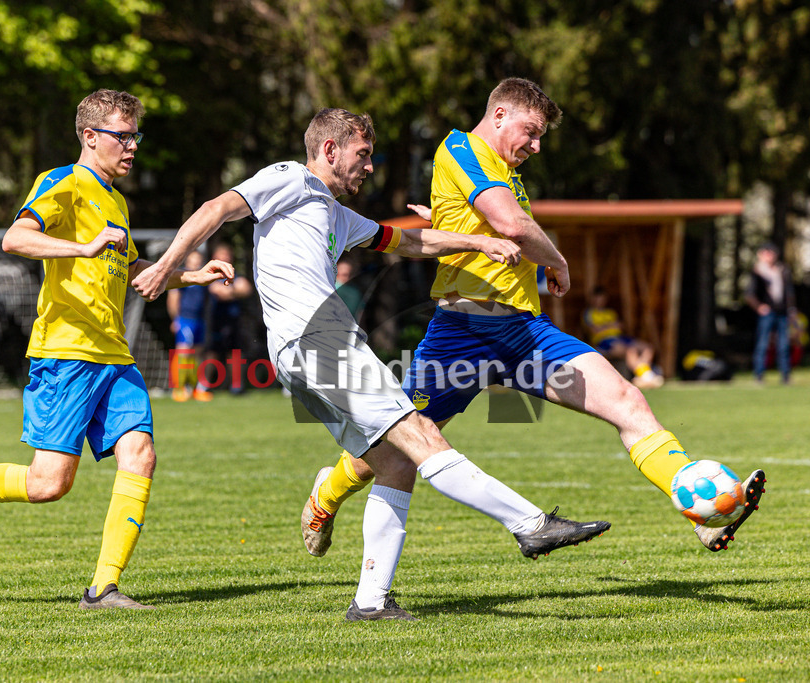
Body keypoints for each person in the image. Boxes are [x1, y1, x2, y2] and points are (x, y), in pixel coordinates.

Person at [132, 107, 611, 621]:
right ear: (330, 150)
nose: (369, 167)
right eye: (362, 155)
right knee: (422, 437)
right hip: (317, 340)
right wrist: (167, 264)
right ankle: (530, 525)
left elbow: (407, 241)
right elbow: (216, 207)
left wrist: (478, 242)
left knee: (394, 462)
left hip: (305, 349)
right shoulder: (290, 177)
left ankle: (370, 601)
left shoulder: (337, 214)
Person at [303, 78, 766, 564]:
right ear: (499, 115)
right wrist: (558, 262)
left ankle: (695, 502)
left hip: (524, 334)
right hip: (461, 335)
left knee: (628, 400)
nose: (536, 145)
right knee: (394, 451)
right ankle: (325, 496)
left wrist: (448, 218)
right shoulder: (462, 147)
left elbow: (480, 220)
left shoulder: (502, 170)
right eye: (532, 130)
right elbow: (511, 225)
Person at [0, 89, 234, 610]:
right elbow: (16, 238)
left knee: (140, 454)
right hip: (66, 353)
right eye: (123, 135)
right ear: (91, 137)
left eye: (136, 135)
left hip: (113, 355)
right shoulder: (64, 182)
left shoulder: (115, 200)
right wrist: (82, 246)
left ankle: (104, 588)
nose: (133, 146)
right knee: (49, 484)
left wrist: (190, 275)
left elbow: (132, 270)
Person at [582, 285, 664, 388]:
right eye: (598, 298)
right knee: (630, 351)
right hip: (604, 341)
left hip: (620, 338)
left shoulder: (610, 313)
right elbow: (594, 330)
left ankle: (643, 375)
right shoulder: (588, 314)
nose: (600, 301)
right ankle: (646, 375)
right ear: (592, 299)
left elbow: (620, 327)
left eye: (602, 298)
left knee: (647, 348)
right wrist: (611, 325)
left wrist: (603, 326)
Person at [205, 242, 254, 394]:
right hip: (217, 321)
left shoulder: (234, 274)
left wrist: (230, 292)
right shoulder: (209, 275)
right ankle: (203, 385)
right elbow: (218, 292)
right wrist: (235, 291)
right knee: (212, 352)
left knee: (235, 353)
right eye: (222, 255)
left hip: (234, 321)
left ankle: (236, 386)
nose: (225, 258)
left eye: (227, 255)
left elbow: (246, 288)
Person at [167, 249, 214, 402]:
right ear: (187, 262)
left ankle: (195, 388)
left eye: (198, 261)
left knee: (198, 354)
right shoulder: (183, 277)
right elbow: (173, 298)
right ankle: (178, 388)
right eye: (193, 261)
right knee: (184, 352)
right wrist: (176, 319)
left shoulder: (203, 279)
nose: (195, 264)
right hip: (185, 319)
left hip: (199, 320)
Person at [745, 242, 796, 384]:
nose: (769, 256)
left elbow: (789, 292)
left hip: (782, 312)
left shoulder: (782, 270)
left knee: (784, 344)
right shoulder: (757, 272)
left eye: (771, 253)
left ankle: (786, 375)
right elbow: (749, 294)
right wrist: (759, 306)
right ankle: (759, 375)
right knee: (762, 343)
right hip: (767, 314)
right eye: (766, 253)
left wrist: (791, 309)